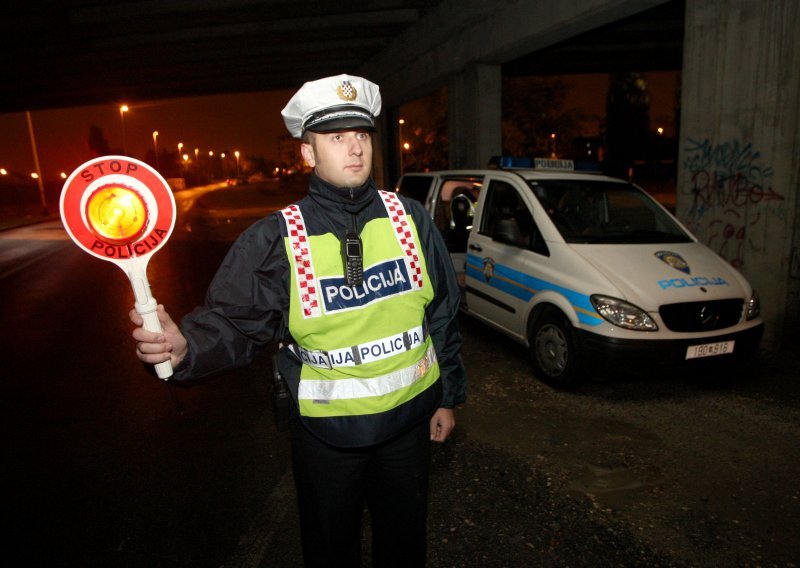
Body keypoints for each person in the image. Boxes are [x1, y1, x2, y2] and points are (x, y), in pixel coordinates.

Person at [130, 74, 467, 567]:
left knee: (405, 545)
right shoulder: (277, 238)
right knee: (331, 551)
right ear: (308, 154)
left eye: (361, 136)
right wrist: (187, 351)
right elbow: (233, 322)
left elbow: (441, 315)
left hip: (409, 423)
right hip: (327, 438)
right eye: (336, 139)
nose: (354, 149)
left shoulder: (411, 218)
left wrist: (449, 397)